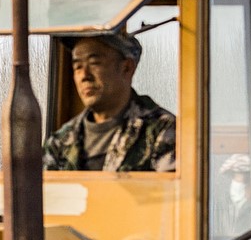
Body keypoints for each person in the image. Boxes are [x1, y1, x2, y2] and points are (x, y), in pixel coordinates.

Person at [44, 29, 176, 173]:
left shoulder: (161, 130)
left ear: (127, 68)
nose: (84, 76)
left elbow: (170, 193)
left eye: (94, 63)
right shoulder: (61, 141)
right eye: (77, 67)